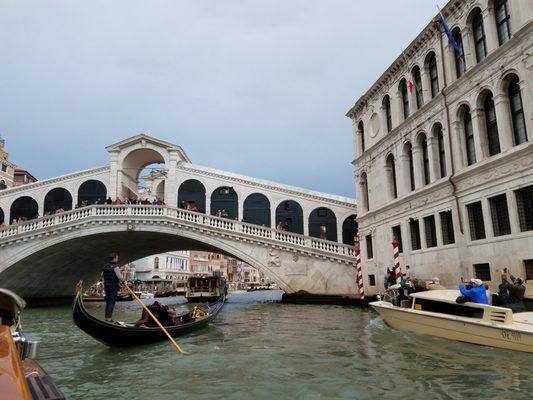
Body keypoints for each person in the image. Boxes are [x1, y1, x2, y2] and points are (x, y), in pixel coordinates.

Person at [102, 252, 124, 322]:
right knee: (112, 302)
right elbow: (120, 277)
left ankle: (106, 317)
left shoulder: (105, 266)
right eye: (117, 258)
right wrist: (123, 280)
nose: (117, 259)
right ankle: (109, 318)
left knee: (108, 302)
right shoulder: (116, 267)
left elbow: (102, 275)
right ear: (114, 258)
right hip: (113, 287)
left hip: (106, 287)